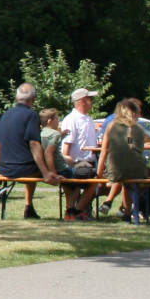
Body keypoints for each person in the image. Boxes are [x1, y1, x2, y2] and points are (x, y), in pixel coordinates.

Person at [0, 83, 60, 219]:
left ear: (17, 97)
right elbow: (34, 144)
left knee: (32, 163)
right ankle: (31, 205)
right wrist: (47, 173)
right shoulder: (31, 115)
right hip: (25, 169)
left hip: (5, 169)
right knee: (56, 169)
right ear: (33, 99)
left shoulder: (5, 116)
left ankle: (29, 206)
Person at [97, 98, 150, 219]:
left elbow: (104, 151)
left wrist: (99, 173)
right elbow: (132, 145)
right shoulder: (137, 128)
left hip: (117, 170)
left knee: (124, 176)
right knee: (128, 178)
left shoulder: (111, 126)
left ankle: (118, 207)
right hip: (138, 170)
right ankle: (127, 211)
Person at [59, 88, 102, 217]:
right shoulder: (72, 120)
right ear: (82, 101)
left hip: (89, 162)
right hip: (75, 163)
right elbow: (65, 151)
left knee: (104, 179)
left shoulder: (88, 119)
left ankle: (79, 209)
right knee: (95, 179)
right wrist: (73, 164)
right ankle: (76, 211)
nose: (92, 102)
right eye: (90, 99)